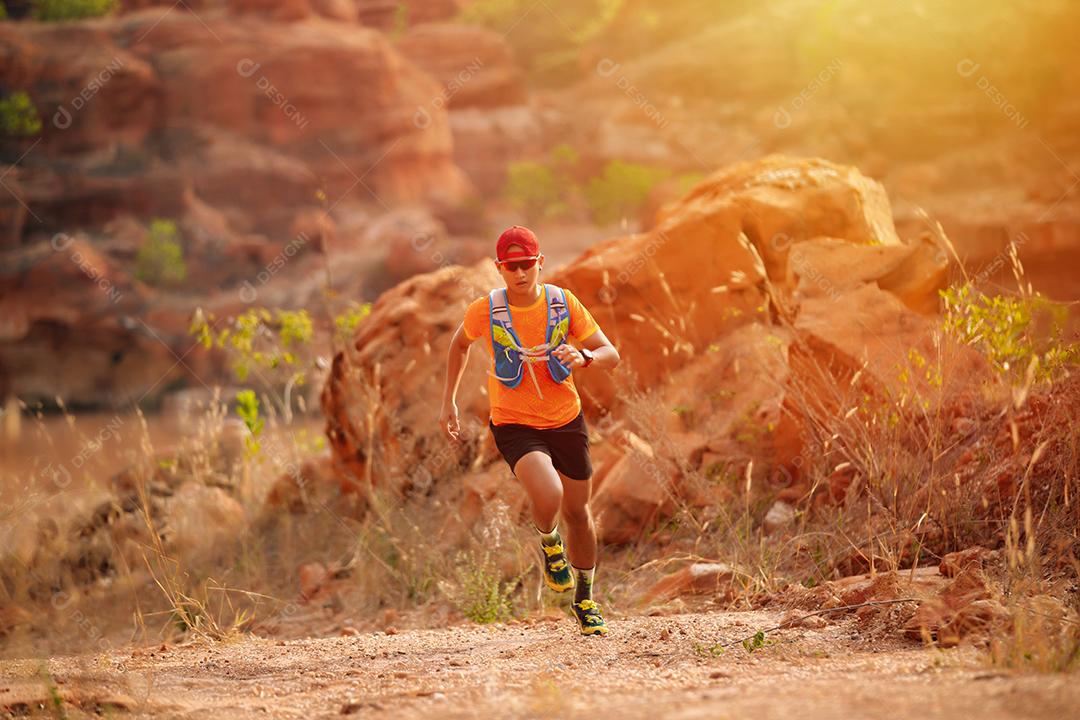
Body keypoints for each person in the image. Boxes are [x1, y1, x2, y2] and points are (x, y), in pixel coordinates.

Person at [439, 225, 621, 636]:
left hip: (566, 419)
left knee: (579, 512)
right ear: (499, 268)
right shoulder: (486, 310)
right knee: (550, 493)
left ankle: (585, 599)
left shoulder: (563, 303)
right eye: (511, 266)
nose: (520, 273)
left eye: (526, 264)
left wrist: (584, 356)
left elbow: (611, 353)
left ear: (540, 263)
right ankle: (549, 540)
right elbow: (459, 345)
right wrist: (448, 400)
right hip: (514, 422)